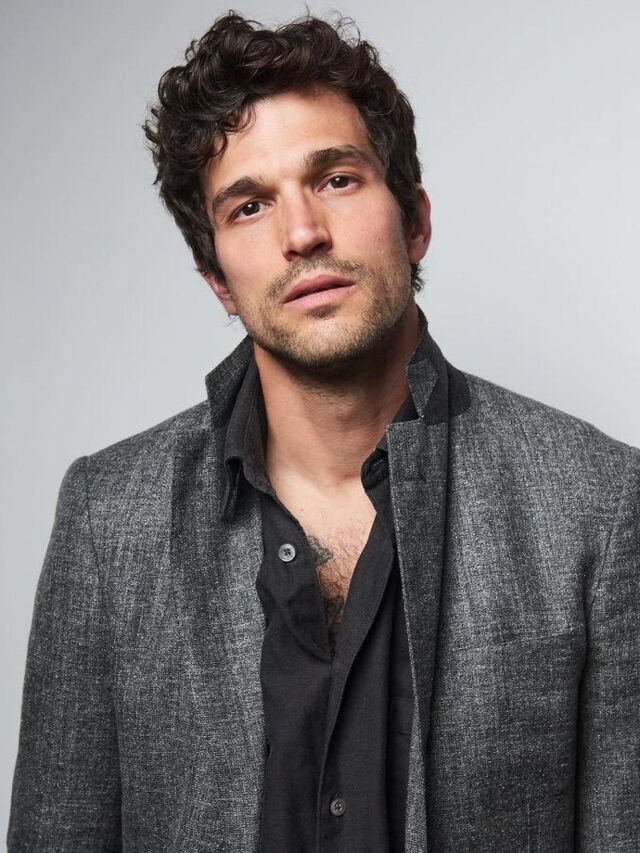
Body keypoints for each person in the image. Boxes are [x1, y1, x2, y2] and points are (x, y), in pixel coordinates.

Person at [8, 10, 639, 852]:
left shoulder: (598, 503)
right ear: (217, 279)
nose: (302, 233)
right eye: (249, 206)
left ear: (414, 221)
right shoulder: (107, 518)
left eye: (336, 179)